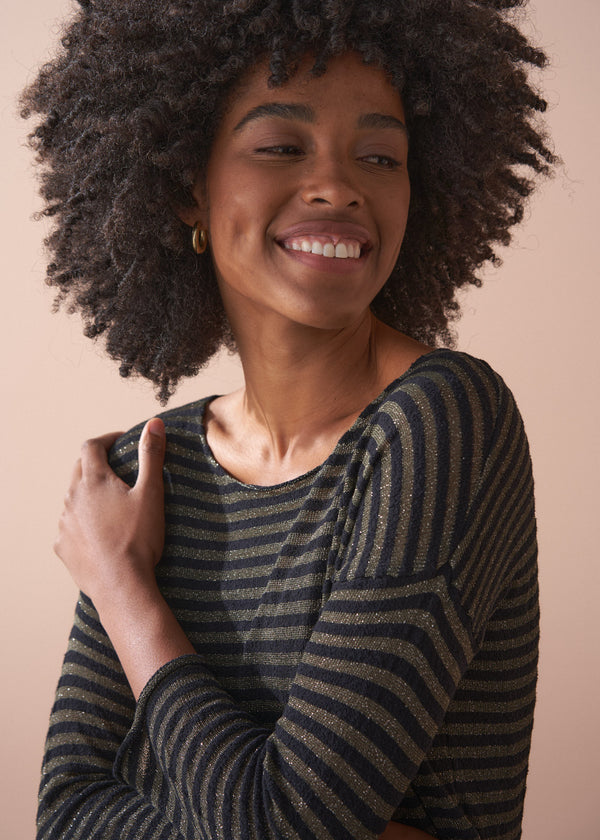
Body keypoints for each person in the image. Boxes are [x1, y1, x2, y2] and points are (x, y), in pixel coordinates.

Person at [21, 1, 554, 838]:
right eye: (280, 146)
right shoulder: (147, 468)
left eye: (381, 155)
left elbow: (288, 829)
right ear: (190, 187)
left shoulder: (441, 422)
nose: (339, 185)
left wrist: (125, 592)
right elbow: (66, 814)